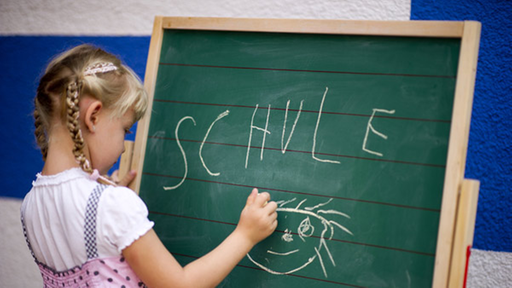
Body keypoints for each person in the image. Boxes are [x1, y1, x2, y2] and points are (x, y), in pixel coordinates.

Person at [21, 44, 278, 288]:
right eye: (125, 129)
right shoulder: (112, 206)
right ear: (94, 116)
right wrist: (245, 235)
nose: (124, 146)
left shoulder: (30, 204)